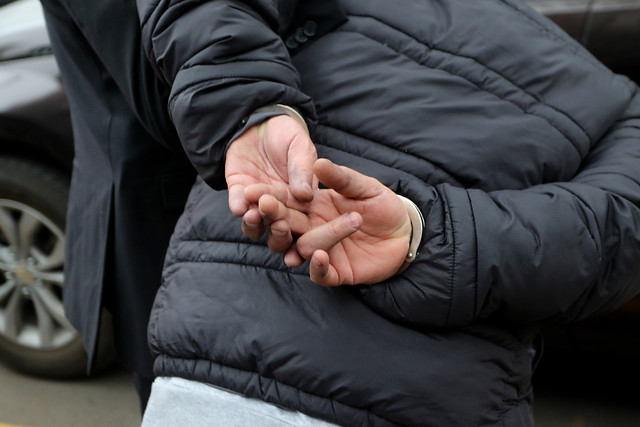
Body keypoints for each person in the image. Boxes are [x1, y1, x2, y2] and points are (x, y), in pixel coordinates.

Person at [40, 0, 640, 425]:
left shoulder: (605, 99)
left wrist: (429, 238)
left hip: (236, 288)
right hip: (192, 266)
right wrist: (250, 109)